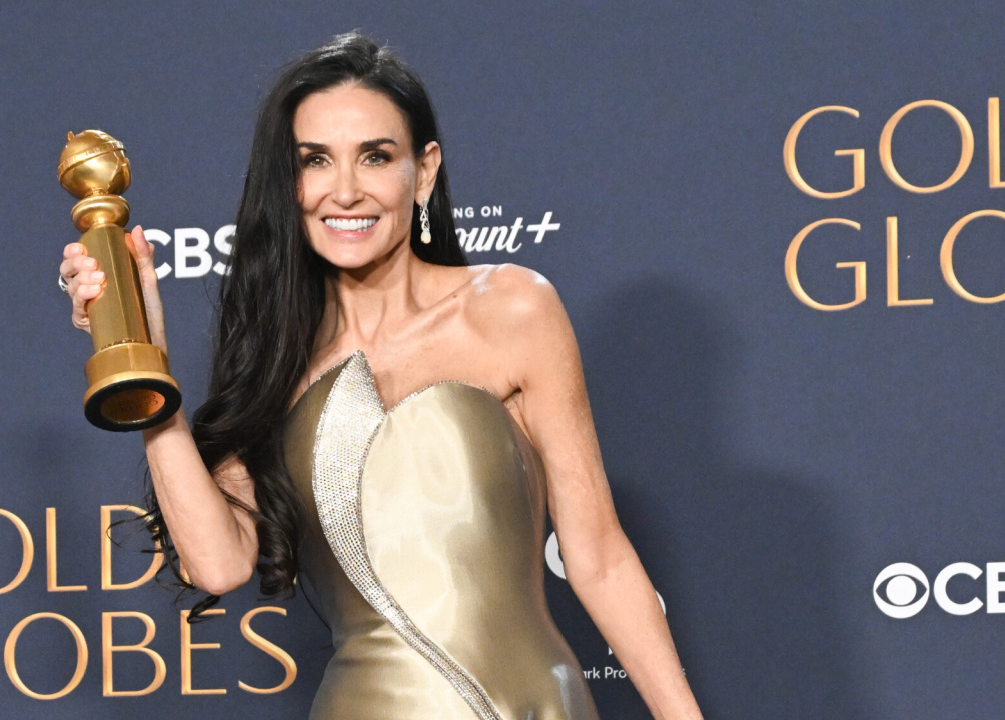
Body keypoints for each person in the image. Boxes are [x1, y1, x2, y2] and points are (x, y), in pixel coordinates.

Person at [59, 32, 703, 720]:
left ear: (422, 173)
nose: (344, 190)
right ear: (290, 182)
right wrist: (145, 368)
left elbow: (598, 558)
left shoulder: (514, 310)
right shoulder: (280, 361)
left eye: (375, 156)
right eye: (315, 160)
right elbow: (220, 565)